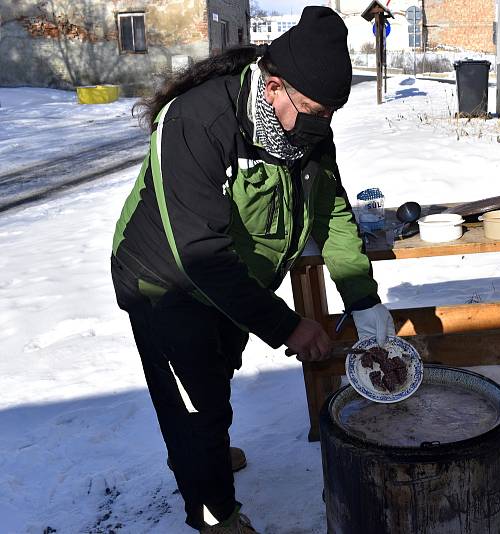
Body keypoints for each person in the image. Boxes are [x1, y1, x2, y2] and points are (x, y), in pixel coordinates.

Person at [110, 7, 395, 533]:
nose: (320, 123)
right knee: (197, 406)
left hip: (237, 282)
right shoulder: (198, 121)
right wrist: (287, 324)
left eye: (330, 113)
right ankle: (214, 512)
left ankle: (208, 452)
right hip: (164, 281)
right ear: (274, 87)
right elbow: (199, 253)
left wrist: (363, 298)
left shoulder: (306, 130)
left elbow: (330, 211)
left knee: (219, 374)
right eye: (311, 109)